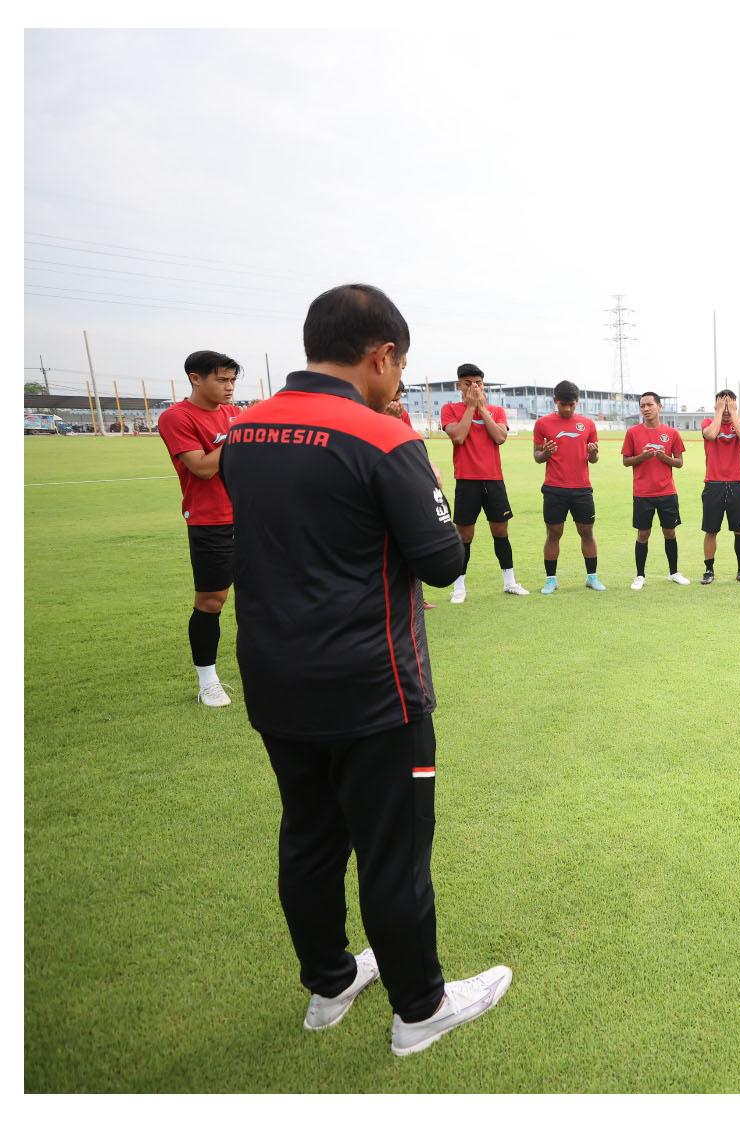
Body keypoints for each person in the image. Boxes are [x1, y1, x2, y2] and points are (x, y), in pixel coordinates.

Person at [220, 283, 510, 1057]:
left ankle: (329, 981)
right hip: (373, 685)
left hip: (276, 677)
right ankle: (420, 1009)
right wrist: (432, 487)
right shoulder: (383, 437)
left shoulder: (245, 430)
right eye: (401, 364)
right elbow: (444, 561)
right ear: (381, 355)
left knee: (310, 836)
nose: (400, 379)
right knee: (394, 850)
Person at [156, 349, 242, 707]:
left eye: (233, 379)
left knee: (267, 594)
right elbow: (203, 468)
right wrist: (239, 435)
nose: (229, 387)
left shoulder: (234, 414)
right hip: (211, 520)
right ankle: (208, 681)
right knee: (211, 601)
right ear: (195, 378)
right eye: (221, 379)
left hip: (253, 516)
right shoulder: (176, 417)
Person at [440, 363, 529, 601]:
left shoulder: (496, 410)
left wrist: (482, 409)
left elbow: (500, 437)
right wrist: (471, 407)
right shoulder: (450, 409)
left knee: (500, 531)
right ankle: (459, 587)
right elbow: (458, 436)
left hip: (494, 480)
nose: (474, 387)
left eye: (478, 383)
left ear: (484, 384)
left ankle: (510, 582)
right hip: (467, 480)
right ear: (459, 385)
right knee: (465, 535)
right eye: (468, 383)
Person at [531, 380, 604, 593]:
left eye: (572, 404)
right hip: (554, 488)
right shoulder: (543, 424)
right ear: (555, 401)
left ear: (577, 402)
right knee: (554, 533)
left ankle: (592, 577)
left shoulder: (588, 424)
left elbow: (594, 458)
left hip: (582, 488)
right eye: (563, 404)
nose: (568, 409)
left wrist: (592, 453)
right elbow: (536, 456)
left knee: (587, 532)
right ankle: (551, 580)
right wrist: (545, 454)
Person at [621, 392, 690, 589]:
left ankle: (674, 572)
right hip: (643, 494)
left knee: (670, 532)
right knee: (643, 534)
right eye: (642, 405)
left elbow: (679, 463)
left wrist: (664, 458)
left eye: (649, 404)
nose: (645, 409)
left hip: (667, 492)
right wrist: (642, 457)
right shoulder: (633, 433)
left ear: (659, 406)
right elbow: (626, 461)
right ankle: (640, 576)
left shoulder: (672, 433)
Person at [385, 381, 438, 609]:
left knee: (408, 542)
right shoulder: (363, 411)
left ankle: (416, 598)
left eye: (398, 397)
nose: (396, 402)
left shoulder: (401, 413)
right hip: (378, 485)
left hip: (400, 485)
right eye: (393, 396)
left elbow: (408, 442)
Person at [700, 389, 740, 584]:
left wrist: (733, 413)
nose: (725, 411)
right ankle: (709, 570)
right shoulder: (708, 423)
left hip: (736, 484)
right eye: (722, 406)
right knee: (711, 530)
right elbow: (711, 435)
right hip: (713, 484)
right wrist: (719, 411)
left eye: (730, 406)